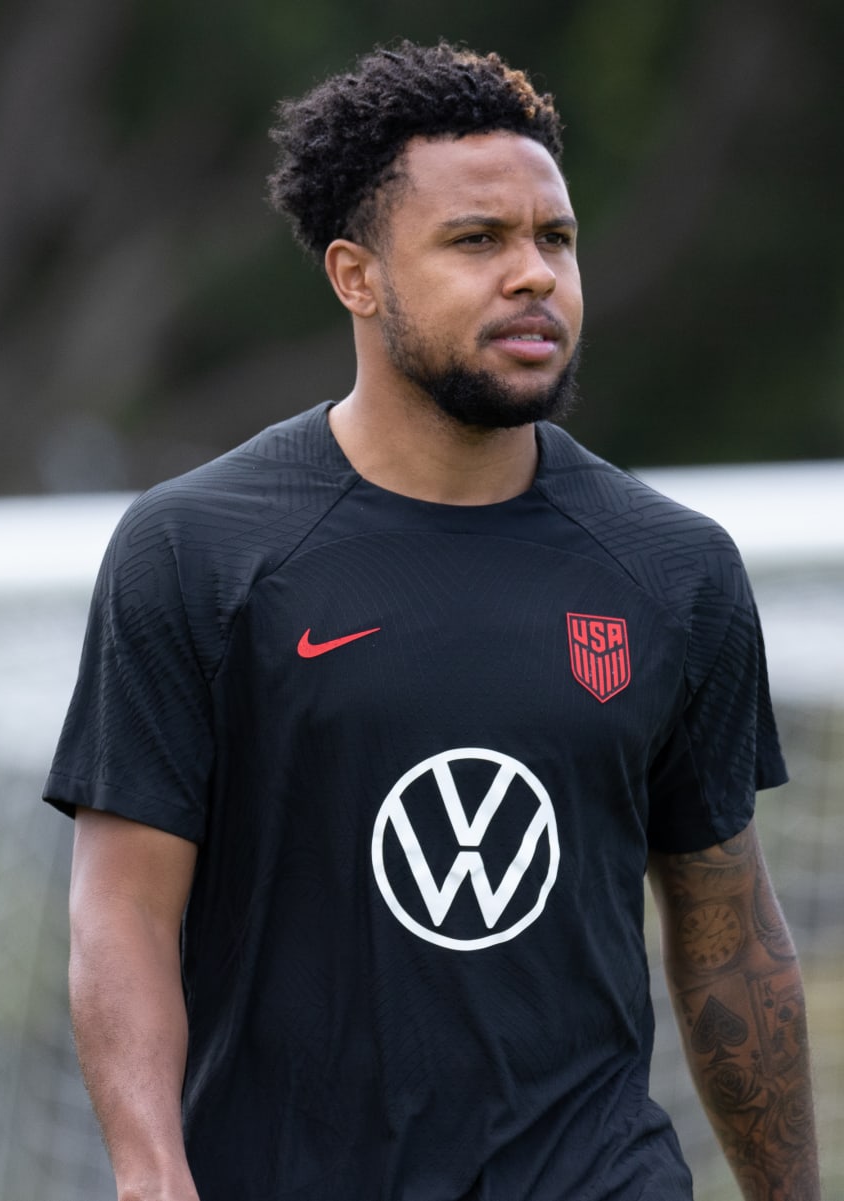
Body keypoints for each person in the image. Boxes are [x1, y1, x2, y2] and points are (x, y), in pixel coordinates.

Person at [47, 42, 818, 1201]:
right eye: (477, 242)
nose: (534, 277)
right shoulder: (198, 552)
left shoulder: (676, 571)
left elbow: (730, 935)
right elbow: (121, 913)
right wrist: (152, 1175)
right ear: (357, 276)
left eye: (554, 240)